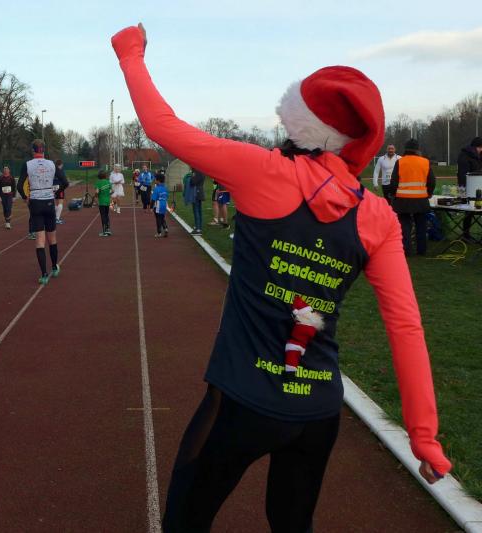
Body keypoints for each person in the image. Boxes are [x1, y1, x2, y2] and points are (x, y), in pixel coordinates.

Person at [112, 23, 450, 532]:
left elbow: (163, 126)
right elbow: (406, 326)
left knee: (185, 519)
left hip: (242, 401)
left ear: (297, 122)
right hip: (318, 410)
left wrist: (130, 52)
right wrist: (424, 436)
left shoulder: (262, 170)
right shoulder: (377, 216)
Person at [17, 139, 60, 285]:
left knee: (40, 241)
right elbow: (64, 181)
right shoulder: (52, 164)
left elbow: (19, 186)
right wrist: (56, 192)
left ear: (32, 150)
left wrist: (25, 198)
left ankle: (44, 274)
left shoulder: (27, 164)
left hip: (35, 202)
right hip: (49, 202)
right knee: (52, 239)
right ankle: (54, 267)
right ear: (44, 150)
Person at [390, 139, 435, 256]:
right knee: (421, 226)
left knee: (405, 226)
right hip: (421, 199)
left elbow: (393, 182)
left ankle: (406, 250)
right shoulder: (425, 162)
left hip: (402, 200)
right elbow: (431, 181)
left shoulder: (400, 162)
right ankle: (421, 250)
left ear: (405, 149)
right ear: (418, 149)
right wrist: (429, 193)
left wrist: (393, 194)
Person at [456, 136, 482, 240]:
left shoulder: (478, 156)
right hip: (467, 188)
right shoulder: (464, 156)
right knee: (469, 212)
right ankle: (466, 235)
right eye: (480, 148)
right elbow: (462, 175)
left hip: (478, 187)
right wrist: (462, 192)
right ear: (476, 147)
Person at [94, 169, 112, 236]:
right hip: (107, 201)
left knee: (103, 216)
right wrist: (107, 194)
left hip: (101, 202)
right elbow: (112, 191)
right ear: (105, 175)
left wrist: (96, 196)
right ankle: (108, 229)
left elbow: (97, 192)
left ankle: (104, 232)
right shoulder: (108, 182)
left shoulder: (98, 183)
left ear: (98, 176)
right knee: (106, 215)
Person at [0, 165, 16, 229]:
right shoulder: (0, 178)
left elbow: (14, 187)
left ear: (9, 170)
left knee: (8, 208)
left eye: (7, 169)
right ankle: (7, 221)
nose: (5, 170)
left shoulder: (11, 177)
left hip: (10, 195)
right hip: (3, 195)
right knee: (5, 209)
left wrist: (14, 196)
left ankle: (8, 223)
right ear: (3, 170)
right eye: (4, 169)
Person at [151, 171, 169, 237]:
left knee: (158, 219)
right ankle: (166, 228)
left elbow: (153, 199)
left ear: (158, 181)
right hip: (164, 204)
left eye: (155, 179)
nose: (154, 180)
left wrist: (151, 207)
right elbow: (167, 196)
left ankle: (159, 232)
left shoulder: (156, 189)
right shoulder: (165, 188)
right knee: (162, 217)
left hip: (158, 205)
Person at [54, 159, 70, 224]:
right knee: (60, 202)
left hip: (53, 187)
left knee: (55, 202)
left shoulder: (52, 170)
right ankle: (57, 218)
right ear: (61, 164)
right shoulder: (60, 171)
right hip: (60, 188)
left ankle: (55, 217)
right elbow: (65, 181)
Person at [190, 168, 205, 234]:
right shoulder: (201, 170)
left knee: (196, 210)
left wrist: (192, 176)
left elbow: (193, 182)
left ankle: (198, 228)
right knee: (199, 210)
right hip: (199, 191)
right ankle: (199, 227)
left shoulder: (197, 171)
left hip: (196, 191)